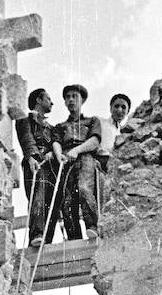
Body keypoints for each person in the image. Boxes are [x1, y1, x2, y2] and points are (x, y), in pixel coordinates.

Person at [52, 83, 101, 242]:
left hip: (85, 158)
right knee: (66, 201)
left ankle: (92, 226)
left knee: (84, 189)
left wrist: (77, 150)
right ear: (65, 102)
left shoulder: (92, 120)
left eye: (75, 96)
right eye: (68, 97)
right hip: (66, 161)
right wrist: (60, 155)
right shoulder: (60, 126)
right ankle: (73, 238)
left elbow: (94, 141)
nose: (71, 100)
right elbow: (56, 142)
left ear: (82, 100)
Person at [15, 88, 54, 204]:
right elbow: (27, 138)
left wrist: (52, 152)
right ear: (39, 100)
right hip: (36, 164)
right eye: (48, 99)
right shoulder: (25, 119)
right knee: (38, 202)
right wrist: (32, 157)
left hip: (51, 166)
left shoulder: (51, 127)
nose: (52, 103)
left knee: (53, 205)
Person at [97, 92, 132, 171]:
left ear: (128, 111)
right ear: (110, 108)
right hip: (98, 161)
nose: (119, 110)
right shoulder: (100, 122)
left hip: (113, 165)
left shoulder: (121, 133)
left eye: (123, 107)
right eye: (116, 106)